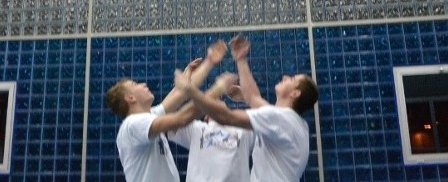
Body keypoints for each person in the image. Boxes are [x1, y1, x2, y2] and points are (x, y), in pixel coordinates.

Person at [173, 36, 319, 182]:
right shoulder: (292, 123)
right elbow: (254, 99)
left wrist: (192, 89)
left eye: (292, 79)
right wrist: (241, 60)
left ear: (295, 93)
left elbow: (227, 117)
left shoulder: (279, 120)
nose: (286, 77)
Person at [106, 40, 231, 182]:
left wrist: (209, 62)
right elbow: (181, 119)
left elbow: (181, 93)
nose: (143, 84)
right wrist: (216, 90)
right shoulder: (133, 124)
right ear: (130, 97)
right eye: (135, 84)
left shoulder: (149, 116)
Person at [167, 102, 254, 182]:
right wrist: (196, 99)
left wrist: (245, 98)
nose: (216, 102)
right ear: (206, 117)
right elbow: (170, 117)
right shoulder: (195, 128)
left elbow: (264, 119)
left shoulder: (243, 130)